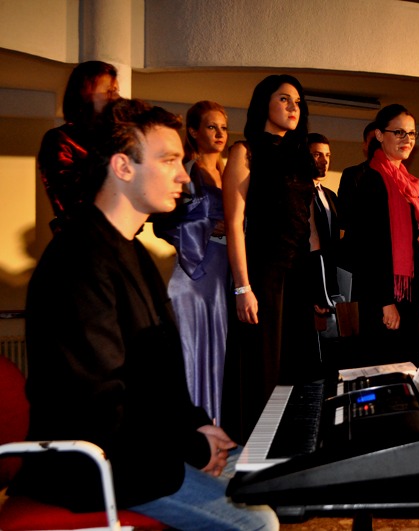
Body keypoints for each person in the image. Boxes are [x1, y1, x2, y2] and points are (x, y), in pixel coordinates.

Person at [13, 98, 277, 530]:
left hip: (140, 452)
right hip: (96, 467)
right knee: (258, 522)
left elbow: (158, 375)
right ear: (123, 167)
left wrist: (198, 426)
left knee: (268, 481)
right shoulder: (79, 258)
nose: (183, 175)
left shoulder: (131, 249)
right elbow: (100, 404)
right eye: (169, 160)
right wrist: (191, 446)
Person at [222, 74, 321, 444]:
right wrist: (242, 287)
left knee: (296, 367)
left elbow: (309, 228)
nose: (293, 107)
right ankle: (254, 451)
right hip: (263, 273)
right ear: (264, 102)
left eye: (298, 102)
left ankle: (287, 450)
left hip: (298, 273)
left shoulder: (301, 157)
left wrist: (318, 285)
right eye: (284, 99)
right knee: (262, 368)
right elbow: (234, 224)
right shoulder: (245, 152)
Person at [153, 101, 230, 425]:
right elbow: (163, 223)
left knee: (222, 357)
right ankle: (196, 431)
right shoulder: (187, 171)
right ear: (195, 132)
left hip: (226, 273)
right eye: (212, 127)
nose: (220, 134)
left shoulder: (230, 172)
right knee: (196, 357)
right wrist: (208, 225)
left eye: (224, 128)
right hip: (195, 274)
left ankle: (221, 430)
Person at [346, 104, 419, 367]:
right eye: (399, 132)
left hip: (409, 293)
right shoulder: (370, 180)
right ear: (380, 135)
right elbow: (369, 248)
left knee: (409, 367)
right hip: (382, 295)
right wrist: (385, 302)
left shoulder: (408, 183)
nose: (407, 139)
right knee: (386, 367)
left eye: (412, 133)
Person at [37, 60, 120, 232]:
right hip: (81, 237)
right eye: (108, 91)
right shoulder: (59, 138)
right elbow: (70, 197)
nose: (115, 98)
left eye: (116, 91)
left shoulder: (115, 136)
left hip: (118, 234)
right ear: (83, 93)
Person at [308, 132, 340, 303]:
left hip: (330, 276)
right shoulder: (297, 193)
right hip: (306, 274)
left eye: (327, 155)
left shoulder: (330, 196)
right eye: (317, 154)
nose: (324, 161)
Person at [337, 121, 376, 240]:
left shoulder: (400, 176)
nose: (378, 145)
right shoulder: (353, 174)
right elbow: (344, 216)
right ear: (365, 145)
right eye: (374, 141)